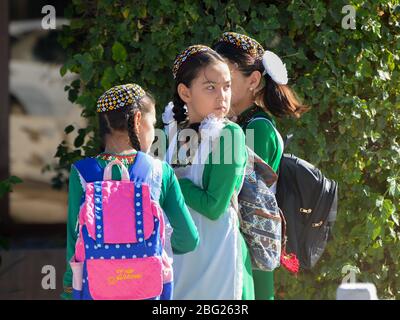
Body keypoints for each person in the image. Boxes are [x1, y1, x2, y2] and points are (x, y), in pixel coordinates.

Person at [62, 83, 199, 300]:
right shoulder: (160, 173)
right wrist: (151, 243)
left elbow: (75, 241)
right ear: (136, 120)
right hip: (148, 291)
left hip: (96, 289)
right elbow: (189, 239)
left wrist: (70, 291)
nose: (154, 133)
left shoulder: (82, 174)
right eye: (152, 124)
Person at [213, 32, 309, 300]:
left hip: (250, 251)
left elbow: (242, 194)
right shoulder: (234, 124)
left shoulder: (257, 128)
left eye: (226, 78)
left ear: (253, 80)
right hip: (231, 246)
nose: (217, 85)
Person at [162, 45, 254, 300]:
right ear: (185, 92)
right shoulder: (171, 132)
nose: (222, 96)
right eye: (211, 87)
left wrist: (168, 179)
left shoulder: (229, 135)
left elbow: (215, 206)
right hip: (179, 263)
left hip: (219, 263)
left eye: (226, 86)